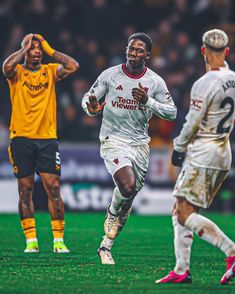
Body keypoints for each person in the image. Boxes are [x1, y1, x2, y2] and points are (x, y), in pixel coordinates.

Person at [82, 32, 177, 264]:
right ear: (127, 50)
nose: (133, 53)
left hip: (140, 145)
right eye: (131, 49)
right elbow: (89, 98)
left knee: (129, 196)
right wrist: (90, 107)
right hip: (112, 140)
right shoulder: (110, 75)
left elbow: (172, 112)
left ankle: (106, 246)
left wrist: (148, 102)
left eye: (139, 50)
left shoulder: (155, 82)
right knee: (127, 184)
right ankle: (111, 213)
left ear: (147, 54)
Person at [156, 29, 235, 285]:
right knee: (180, 207)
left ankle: (231, 251)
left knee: (183, 213)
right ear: (227, 52)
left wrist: (178, 147)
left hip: (203, 152)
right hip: (224, 152)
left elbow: (192, 122)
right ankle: (181, 269)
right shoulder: (233, 79)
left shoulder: (203, 84)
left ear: (203, 51)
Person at [3, 33, 79, 253]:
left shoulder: (50, 70)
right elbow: (6, 67)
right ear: (25, 51)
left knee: (54, 188)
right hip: (21, 138)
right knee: (25, 190)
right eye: (32, 48)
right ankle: (31, 241)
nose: (36, 51)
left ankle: (58, 241)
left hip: (47, 138)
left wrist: (49, 48)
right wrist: (22, 48)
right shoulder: (16, 72)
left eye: (38, 48)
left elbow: (73, 66)